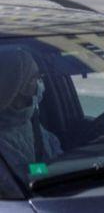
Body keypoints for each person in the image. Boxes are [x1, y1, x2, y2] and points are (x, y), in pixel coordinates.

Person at [0, 50, 63, 182]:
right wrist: (56, 168)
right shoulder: (4, 136)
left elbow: (56, 151)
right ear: (16, 86)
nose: (40, 84)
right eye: (34, 78)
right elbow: (23, 176)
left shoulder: (27, 121)